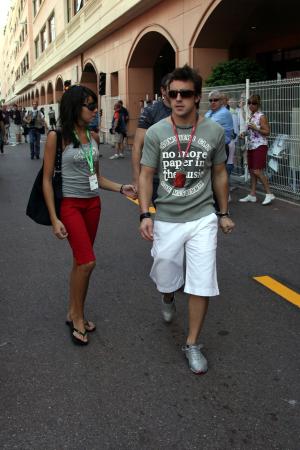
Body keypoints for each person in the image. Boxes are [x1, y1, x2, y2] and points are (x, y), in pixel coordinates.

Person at [138, 64, 235, 375]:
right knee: (166, 271)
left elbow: (219, 173)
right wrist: (144, 213)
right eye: (173, 94)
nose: (178, 99)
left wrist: (223, 213)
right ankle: (168, 294)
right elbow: (146, 174)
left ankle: (192, 343)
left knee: (201, 281)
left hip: (202, 217)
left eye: (186, 93)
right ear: (166, 97)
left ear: (197, 97)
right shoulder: (156, 132)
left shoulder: (214, 131)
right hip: (166, 215)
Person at [42, 85, 137, 345]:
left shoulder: (93, 138)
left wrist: (121, 188)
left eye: (96, 106)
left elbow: (96, 178)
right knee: (87, 262)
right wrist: (54, 218)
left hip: (92, 206)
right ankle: (78, 318)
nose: (95, 111)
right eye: (90, 106)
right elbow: (47, 180)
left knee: (79, 261)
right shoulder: (57, 137)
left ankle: (73, 311)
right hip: (70, 207)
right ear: (75, 107)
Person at [131, 73, 172, 201]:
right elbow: (137, 147)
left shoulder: (188, 110)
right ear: (163, 91)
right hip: (156, 177)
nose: (178, 95)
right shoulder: (151, 111)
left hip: (184, 176)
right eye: (172, 90)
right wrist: (137, 179)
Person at [239, 94, 275, 205]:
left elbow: (267, 132)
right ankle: (252, 194)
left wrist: (256, 128)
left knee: (257, 171)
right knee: (252, 171)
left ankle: (269, 194)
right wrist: (244, 133)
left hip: (260, 146)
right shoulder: (251, 116)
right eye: (249, 103)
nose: (251, 105)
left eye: (253, 103)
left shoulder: (261, 116)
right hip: (251, 145)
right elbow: (251, 131)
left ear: (258, 104)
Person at [205, 90, 233, 159]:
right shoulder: (209, 112)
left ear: (221, 101)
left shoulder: (224, 113)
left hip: (221, 148)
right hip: (211, 147)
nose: (213, 102)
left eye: (215, 100)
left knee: (219, 170)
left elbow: (206, 126)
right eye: (210, 100)